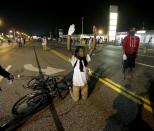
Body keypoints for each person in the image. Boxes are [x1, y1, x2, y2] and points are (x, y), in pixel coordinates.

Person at [67, 24, 97, 101]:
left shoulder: (86, 59)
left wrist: (94, 36)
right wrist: (69, 35)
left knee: (85, 98)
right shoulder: (74, 60)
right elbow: (68, 49)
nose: (82, 53)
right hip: (76, 85)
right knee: (76, 99)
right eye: (80, 51)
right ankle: (70, 89)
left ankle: (80, 92)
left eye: (83, 51)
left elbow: (93, 48)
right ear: (77, 53)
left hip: (84, 85)